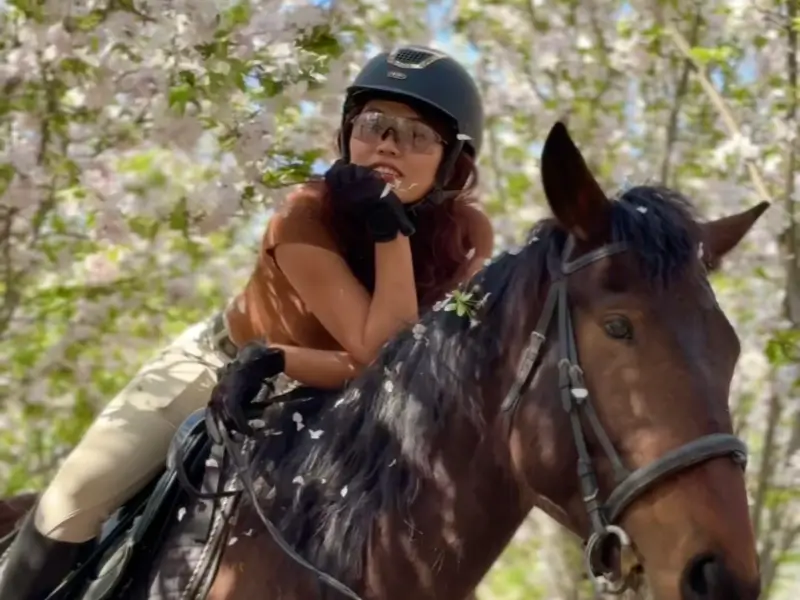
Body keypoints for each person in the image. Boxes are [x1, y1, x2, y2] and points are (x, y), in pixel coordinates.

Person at [0, 44, 494, 599]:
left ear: (455, 162)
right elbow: (384, 352)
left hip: (348, 395)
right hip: (222, 369)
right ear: (347, 132)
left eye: (417, 135)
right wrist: (390, 230)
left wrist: (386, 236)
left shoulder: (466, 237)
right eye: (374, 124)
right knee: (73, 498)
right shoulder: (303, 216)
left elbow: (392, 367)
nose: (386, 143)